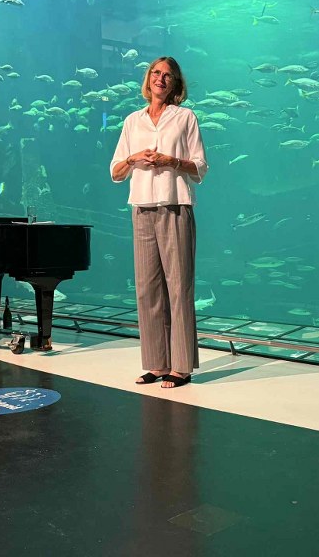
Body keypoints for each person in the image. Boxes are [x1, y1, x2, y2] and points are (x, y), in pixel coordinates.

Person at [110, 56, 209, 388]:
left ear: (175, 83)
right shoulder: (133, 121)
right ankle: (156, 363)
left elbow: (200, 167)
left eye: (168, 75)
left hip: (175, 206)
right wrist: (134, 157)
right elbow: (115, 172)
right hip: (141, 208)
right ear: (148, 78)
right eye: (156, 73)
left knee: (179, 288)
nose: (160, 79)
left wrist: (172, 161)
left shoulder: (185, 117)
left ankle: (181, 366)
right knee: (146, 289)